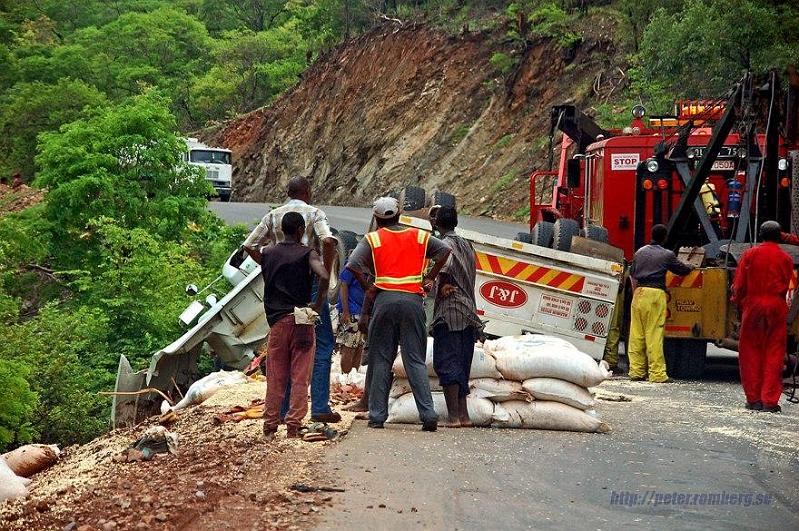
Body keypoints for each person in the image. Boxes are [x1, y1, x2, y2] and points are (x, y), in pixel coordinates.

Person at [346, 197, 451, 431]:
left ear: (376, 217)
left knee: (381, 359)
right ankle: (428, 414)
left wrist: (368, 289)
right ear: (400, 214)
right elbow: (445, 249)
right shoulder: (418, 236)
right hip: (413, 301)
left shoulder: (372, 239)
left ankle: (377, 416)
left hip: (384, 300)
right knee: (414, 359)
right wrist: (430, 277)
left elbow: (352, 264)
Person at [243, 176, 341, 423]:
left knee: (283, 350)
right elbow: (328, 240)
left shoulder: (274, 216)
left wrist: (270, 265)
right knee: (319, 345)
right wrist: (325, 275)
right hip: (307, 285)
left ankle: (284, 411)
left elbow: (249, 244)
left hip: (281, 289)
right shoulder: (315, 213)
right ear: (307, 191)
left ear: (288, 192)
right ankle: (318, 407)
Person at [261, 212, 330, 438]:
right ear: (301, 230)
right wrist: (318, 303)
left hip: (277, 321)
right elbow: (324, 276)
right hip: (302, 317)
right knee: (300, 375)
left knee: (275, 376)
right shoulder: (307, 253)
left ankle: (270, 427)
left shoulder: (268, 253)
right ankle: (293, 426)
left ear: (282, 229)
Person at [732, 220, 793, 413]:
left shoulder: (749, 255)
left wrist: (737, 300)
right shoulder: (786, 258)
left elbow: (740, 285)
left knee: (750, 352)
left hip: (754, 305)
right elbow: (789, 284)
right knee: (774, 353)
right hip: (776, 306)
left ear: (760, 234)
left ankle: (754, 399)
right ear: (778, 236)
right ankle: (769, 400)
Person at [430, 206, 482, 427]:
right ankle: (464, 416)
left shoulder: (445, 245)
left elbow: (443, 269)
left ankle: (453, 417)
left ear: (436, 223)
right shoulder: (467, 245)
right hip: (469, 311)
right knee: (462, 363)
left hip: (450, 311)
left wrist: (436, 285)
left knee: (447, 361)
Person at [628, 224, 694, 383]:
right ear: (664, 237)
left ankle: (636, 371)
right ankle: (657, 374)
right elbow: (681, 270)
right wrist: (691, 266)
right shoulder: (667, 255)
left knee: (636, 335)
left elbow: (632, 273)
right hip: (655, 295)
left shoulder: (639, 252)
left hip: (639, 294)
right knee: (654, 335)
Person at [336, 267, 367, 374]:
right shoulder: (354, 264)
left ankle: (352, 378)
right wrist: (345, 311)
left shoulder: (369, 265)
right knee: (348, 347)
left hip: (363, 313)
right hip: (352, 312)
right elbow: (343, 284)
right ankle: (345, 378)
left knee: (359, 347)